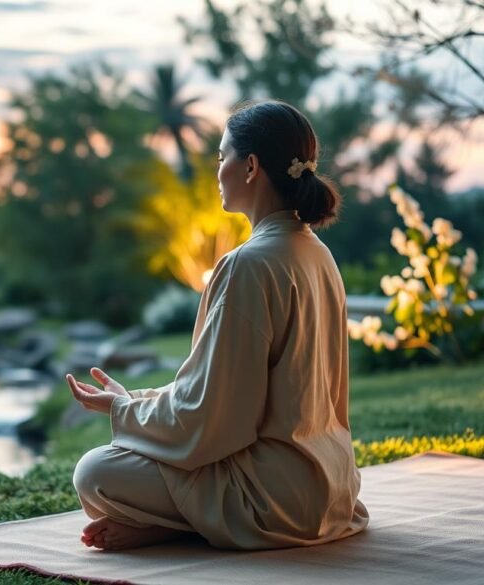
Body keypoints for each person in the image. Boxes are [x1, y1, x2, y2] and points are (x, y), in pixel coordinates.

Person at [66, 99, 369, 551]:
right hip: (332, 488)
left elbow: (215, 421)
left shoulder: (249, 264)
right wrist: (139, 400)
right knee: (115, 466)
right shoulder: (316, 253)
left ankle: (186, 524)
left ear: (250, 167)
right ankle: (178, 523)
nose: (217, 170)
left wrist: (122, 412)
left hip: (272, 498)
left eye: (222, 157)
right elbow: (221, 394)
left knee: (95, 474)